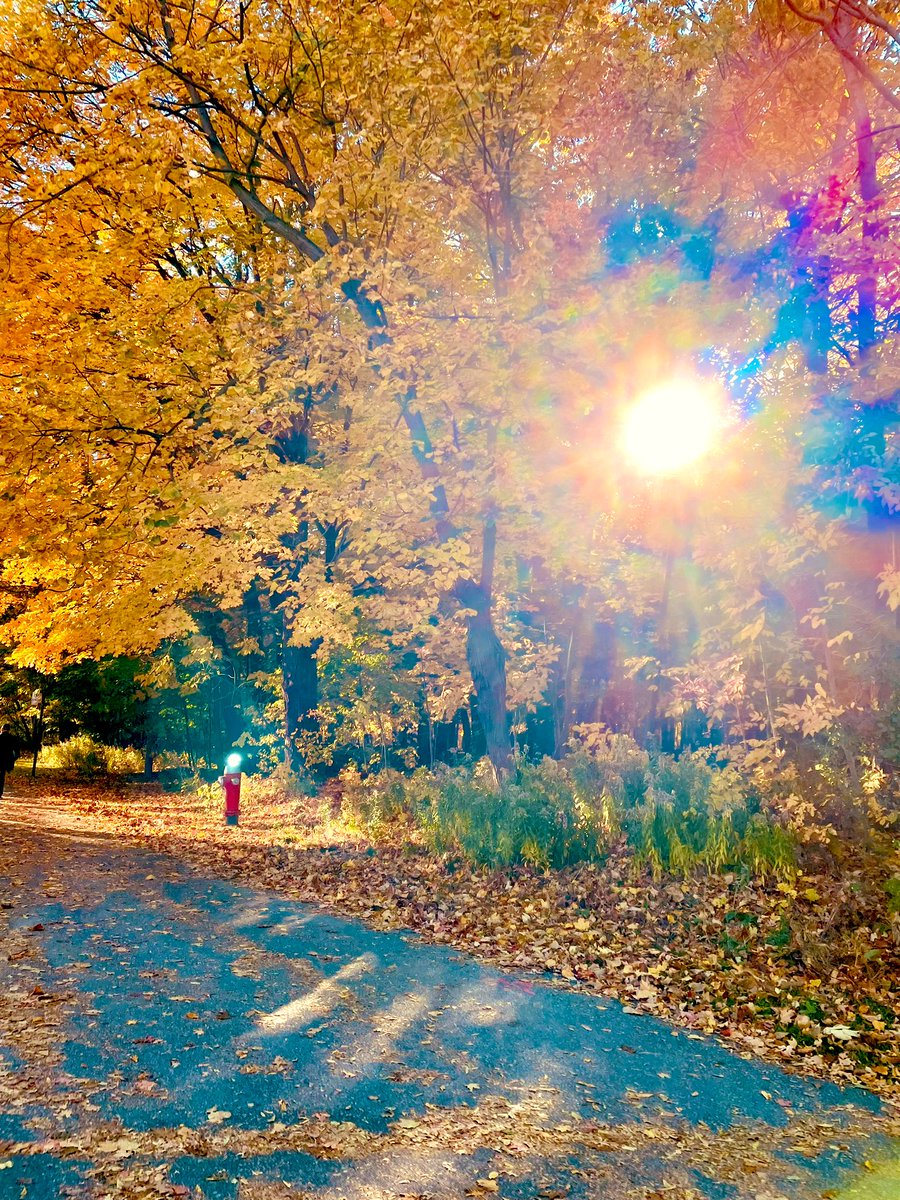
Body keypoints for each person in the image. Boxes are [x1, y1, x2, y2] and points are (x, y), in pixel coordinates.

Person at [0, 723, 20, 798]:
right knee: (2, 777)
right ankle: (0, 793)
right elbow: (17, 753)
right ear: (9, 730)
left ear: (2, 729)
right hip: (6, 761)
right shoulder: (13, 739)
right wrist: (12, 760)